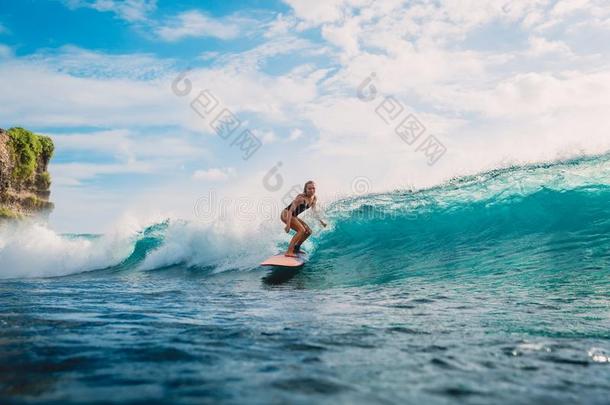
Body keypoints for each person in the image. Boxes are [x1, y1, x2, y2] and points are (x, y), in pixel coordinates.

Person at [281, 180, 327, 257]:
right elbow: (290, 211)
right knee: (301, 230)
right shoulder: (301, 198)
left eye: (313, 188)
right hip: (286, 214)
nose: (312, 190)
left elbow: (314, 212)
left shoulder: (314, 198)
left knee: (308, 231)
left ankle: (296, 248)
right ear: (305, 189)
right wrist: (288, 225)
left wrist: (321, 222)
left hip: (293, 216)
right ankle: (289, 251)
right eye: (309, 189)